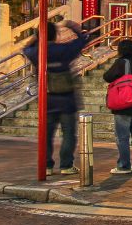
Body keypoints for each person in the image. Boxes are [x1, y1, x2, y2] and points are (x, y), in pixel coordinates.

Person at [24, 21, 86, 175]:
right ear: (55, 34)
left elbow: (25, 49)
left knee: (46, 134)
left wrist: (38, 37)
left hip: (47, 99)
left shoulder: (37, 52)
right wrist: (73, 27)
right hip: (67, 99)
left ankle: (46, 166)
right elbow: (83, 39)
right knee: (69, 133)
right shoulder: (63, 50)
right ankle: (66, 165)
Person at [103, 39, 132, 175]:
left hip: (124, 104)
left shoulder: (121, 63)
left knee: (122, 137)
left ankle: (124, 166)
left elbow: (107, 77)